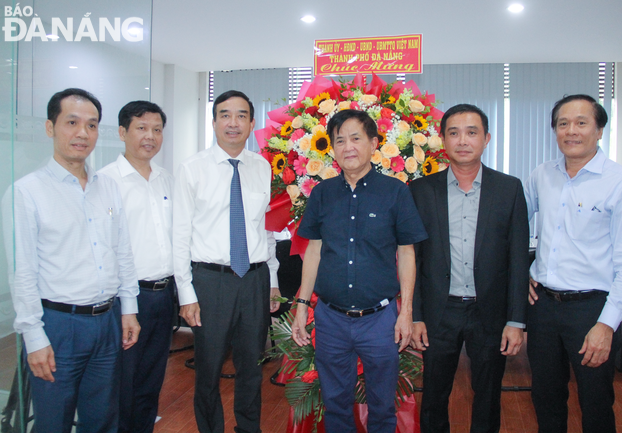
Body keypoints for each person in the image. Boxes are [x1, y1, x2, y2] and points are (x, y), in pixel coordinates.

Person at [3, 88, 140, 432]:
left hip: (107, 322)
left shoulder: (106, 187)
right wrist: (33, 336)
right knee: (53, 421)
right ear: (51, 127)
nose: (83, 133)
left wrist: (129, 309)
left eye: (92, 125)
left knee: (103, 418)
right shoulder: (27, 191)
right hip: (59, 325)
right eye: (72, 122)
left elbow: (122, 250)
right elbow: (22, 272)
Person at [291, 109, 428, 433]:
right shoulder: (322, 194)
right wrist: (301, 306)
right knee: (335, 406)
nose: (348, 146)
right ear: (333, 148)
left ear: (374, 144)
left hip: (380, 320)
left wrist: (405, 312)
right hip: (331, 319)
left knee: (382, 407)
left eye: (356, 138)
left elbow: (406, 253)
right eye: (340, 140)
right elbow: (314, 250)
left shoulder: (396, 192)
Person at [525, 94, 622, 433]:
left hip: (592, 308)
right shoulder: (541, 175)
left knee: (595, 401)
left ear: (599, 130)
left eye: (581, 123)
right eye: (563, 124)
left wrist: (606, 325)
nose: (571, 131)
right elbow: (512, 225)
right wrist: (522, 272)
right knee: (546, 397)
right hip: (543, 306)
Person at [410, 104, 529, 433]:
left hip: (489, 312)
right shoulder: (421, 191)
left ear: (487, 138)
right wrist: (415, 314)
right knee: (434, 395)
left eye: (472, 132)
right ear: (443, 140)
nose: (463, 140)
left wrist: (516, 320)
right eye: (454, 132)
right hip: (439, 312)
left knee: (489, 395)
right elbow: (413, 260)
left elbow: (519, 259)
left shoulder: (509, 189)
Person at [173, 90, 281, 433]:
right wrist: (186, 294)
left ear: (251, 122)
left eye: (240, 115)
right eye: (224, 115)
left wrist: (273, 281)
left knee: (252, 364)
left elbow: (266, 230)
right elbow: (179, 235)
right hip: (210, 281)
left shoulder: (262, 167)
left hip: (254, 279)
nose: (232, 123)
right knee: (208, 365)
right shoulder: (192, 169)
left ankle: (248, 428)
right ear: (215, 120)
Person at [99, 101, 173, 433]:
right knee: (118, 385)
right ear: (122, 132)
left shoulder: (166, 180)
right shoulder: (105, 182)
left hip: (163, 295)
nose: (150, 136)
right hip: (124, 300)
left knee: (150, 382)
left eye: (157, 129)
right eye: (141, 128)